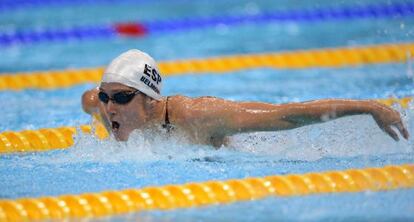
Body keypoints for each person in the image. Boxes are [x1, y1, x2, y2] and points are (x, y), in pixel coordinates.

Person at [82, 49, 409, 148]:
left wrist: (369, 108)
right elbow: (88, 99)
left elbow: (286, 115)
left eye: (122, 97)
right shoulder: (108, 110)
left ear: (151, 100)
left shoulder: (196, 116)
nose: (110, 106)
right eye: (105, 96)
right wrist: (94, 97)